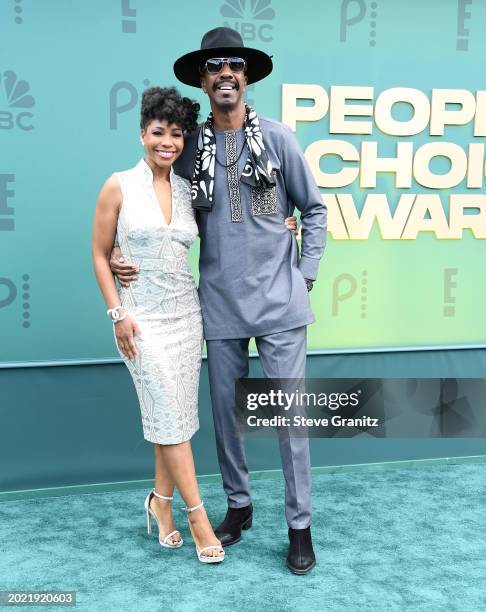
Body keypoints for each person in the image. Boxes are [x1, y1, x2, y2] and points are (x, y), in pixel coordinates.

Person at [111, 28, 325, 574]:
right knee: (229, 419)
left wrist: (304, 275)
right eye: (214, 67)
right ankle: (238, 507)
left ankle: (299, 526)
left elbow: (315, 210)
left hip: (281, 304)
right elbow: (151, 201)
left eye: (234, 65)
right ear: (203, 82)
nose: (225, 72)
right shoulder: (190, 151)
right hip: (218, 306)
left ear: (246, 77)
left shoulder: (279, 139)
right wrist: (118, 251)